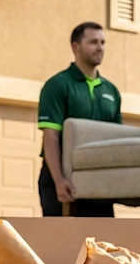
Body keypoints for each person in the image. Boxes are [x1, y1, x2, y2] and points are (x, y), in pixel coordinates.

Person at [37, 22, 122, 218]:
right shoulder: (58, 85)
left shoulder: (111, 91)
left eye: (103, 42)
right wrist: (59, 180)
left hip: (97, 179)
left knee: (101, 244)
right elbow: (51, 137)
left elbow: (117, 139)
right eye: (93, 42)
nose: (100, 47)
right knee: (62, 244)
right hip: (62, 177)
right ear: (75, 46)